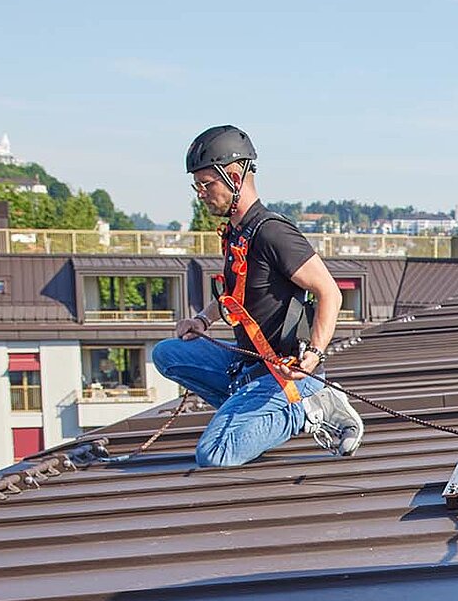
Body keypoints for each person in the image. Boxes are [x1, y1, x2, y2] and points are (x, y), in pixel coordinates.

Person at [152, 125, 364, 467]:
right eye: (197, 186)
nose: (200, 194)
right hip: (248, 367)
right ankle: (252, 413)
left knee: (215, 453)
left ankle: (308, 409)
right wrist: (202, 320)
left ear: (234, 177)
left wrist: (315, 353)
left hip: (284, 374)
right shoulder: (239, 233)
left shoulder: (273, 233)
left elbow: (329, 291)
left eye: (206, 184)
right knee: (167, 353)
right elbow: (235, 296)